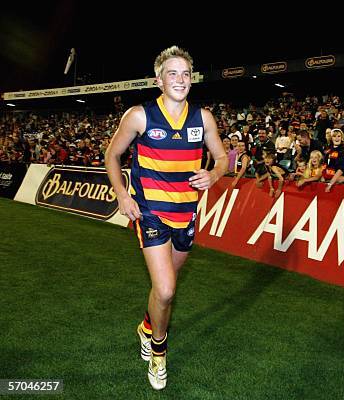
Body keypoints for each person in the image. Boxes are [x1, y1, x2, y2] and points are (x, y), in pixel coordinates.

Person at [105, 46, 228, 390]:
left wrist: (214, 175)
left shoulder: (203, 118)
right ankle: (158, 350)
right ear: (158, 80)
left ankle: (146, 326)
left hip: (186, 214)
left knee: (163, 293)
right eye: (172, 73)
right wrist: (122, 193)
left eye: (186, 73)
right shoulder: (139, 115)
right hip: (151, 214)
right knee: (167, 289)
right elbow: (112, 155)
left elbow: (221, 158)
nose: (180, 79)